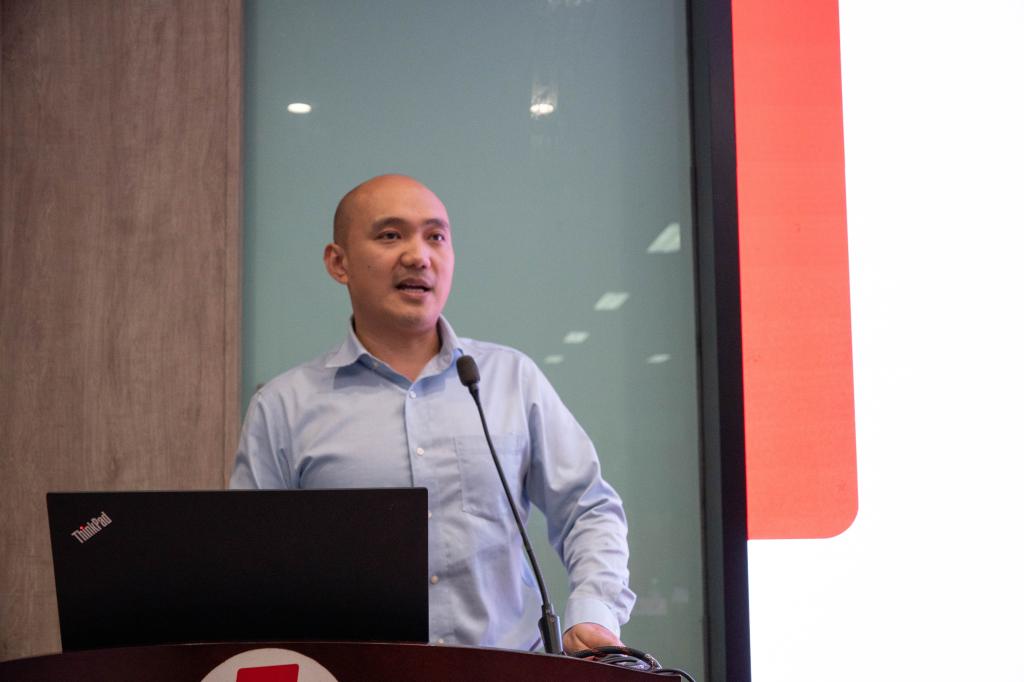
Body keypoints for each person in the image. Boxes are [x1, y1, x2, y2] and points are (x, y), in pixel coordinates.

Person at [230, 174, 635, 653]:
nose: (418, 256)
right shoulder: (284, 406)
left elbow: (588, 509)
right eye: (390, 235)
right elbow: (249, 566)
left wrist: (594, 613)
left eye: (436, 237)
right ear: (339, 263)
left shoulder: (510, 379)